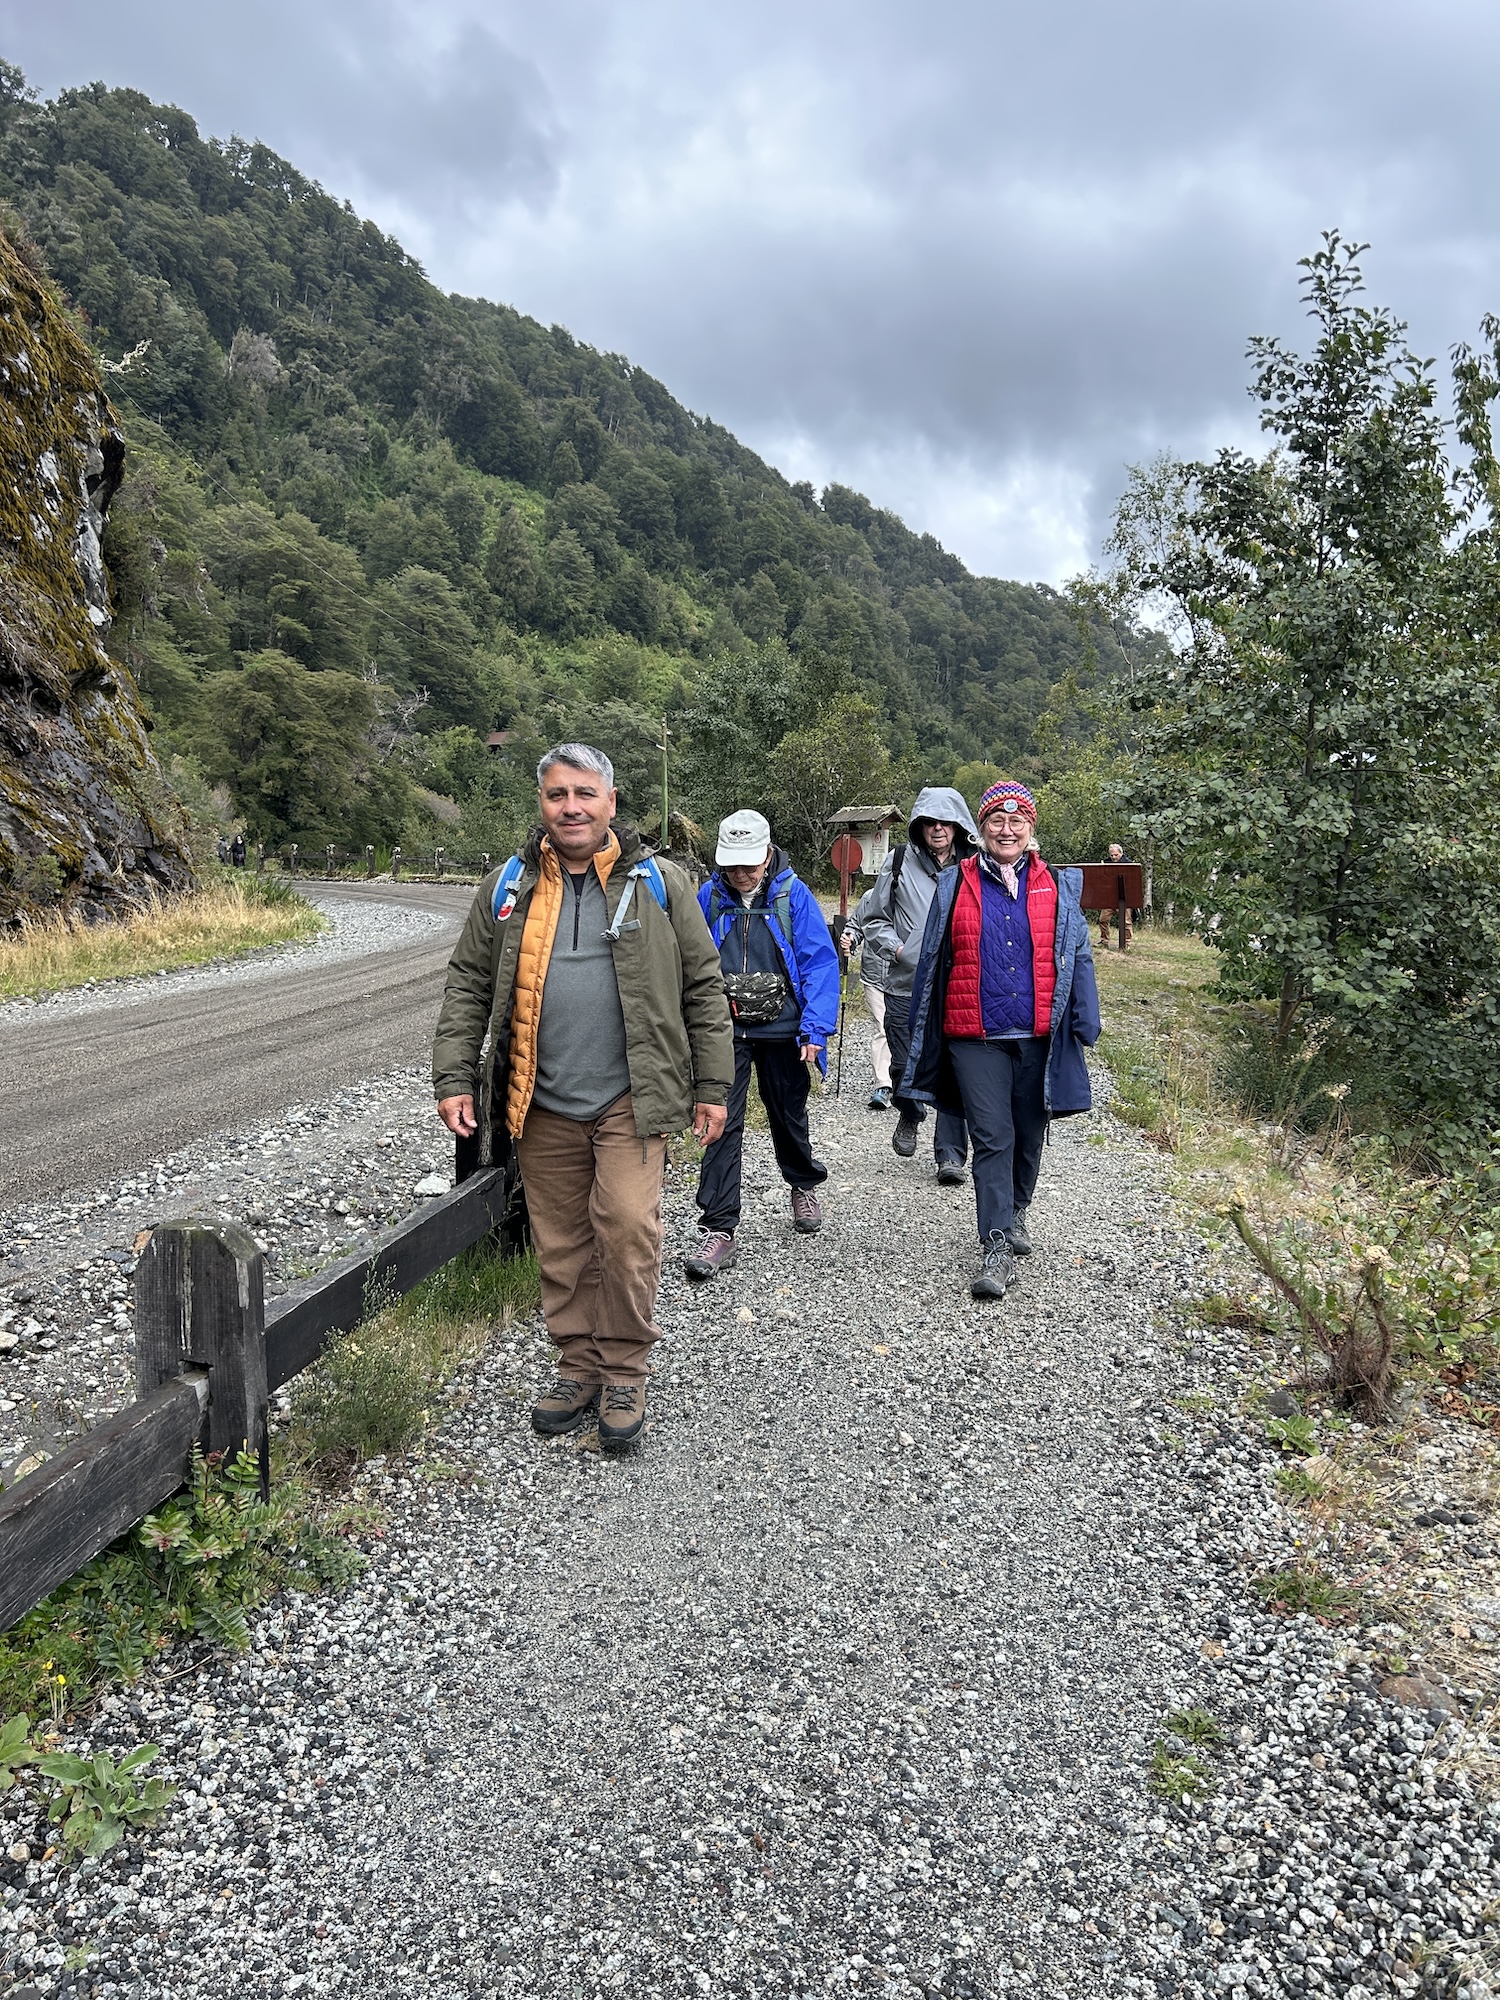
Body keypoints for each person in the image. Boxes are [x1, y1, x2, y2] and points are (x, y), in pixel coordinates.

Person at [432, 744, 733, 1450]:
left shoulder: (662, 884)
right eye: (558, 794)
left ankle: (625, 1369)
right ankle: (578, 1366)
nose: (571, 807)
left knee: (627, 1229)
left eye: (585, 794)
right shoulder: (508, 886)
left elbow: (702, 987)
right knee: (562, 1243)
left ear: (611, 802)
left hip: (632, 1095)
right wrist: (452, 1075)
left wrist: (712, 1086)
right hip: (539, 1097)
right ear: (542, 803)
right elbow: (468, 984)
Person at [903, 780, 1100, 1301]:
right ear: (981, 828)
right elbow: (933, 960)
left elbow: (1077, 953)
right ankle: (994, 1244)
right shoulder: (956, 883)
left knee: (1030, 1135)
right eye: (996, 820)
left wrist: (1086, 1016)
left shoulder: (1055, 885)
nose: (1006, 829)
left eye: (1017, 822)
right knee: (992, 1136)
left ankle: (1016, 1212)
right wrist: (919, 1028)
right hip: (975, 1035)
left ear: (1030, 829)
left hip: (1038, 1035)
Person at [684, 811, 841, 1278]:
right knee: (718, 1121)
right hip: (724, 1031)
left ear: (768, 853)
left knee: (788, 1114)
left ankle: (802, 1183)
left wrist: (815, 1030)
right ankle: (719, 1229)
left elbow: (819, 963)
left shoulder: (794, 896)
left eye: (750, 864)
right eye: (734, 864)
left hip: (784, 1030)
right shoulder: (710, 897)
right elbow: (690, 962)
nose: (742, 873)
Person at [859, 787, 979, 1183]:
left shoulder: (977, 866)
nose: (938, 829)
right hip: (905, 982)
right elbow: (874, 918)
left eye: (946, 822)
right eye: (930, 822)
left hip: (959, 984)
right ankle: (910, 1111)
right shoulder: (897, 862)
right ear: (919, 827)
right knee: (902, 1063)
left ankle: (950, 1155)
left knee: (956, 1068)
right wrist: (896, 950)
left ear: (958, 826)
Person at [845, 883, 894, 1109]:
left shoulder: (918, 893)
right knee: (883, 1028)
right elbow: (855, 927)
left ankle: (908, 1082)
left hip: (910, 976)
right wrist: (850, 939)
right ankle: (883, 1085)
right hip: (875, 975)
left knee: (908, 1028)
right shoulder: (869, 897)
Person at [1099, 842, 1134, 949]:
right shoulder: (1106, 863)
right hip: (1109, 896)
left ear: (1121, 853)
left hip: (1124, 896)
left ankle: (1126, 943)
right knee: (1103, 919)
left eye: (1116, 855)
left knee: (1126, 921)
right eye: (1112, 855)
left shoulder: (1129, 864)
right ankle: (1104, 940)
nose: (1114, 857)